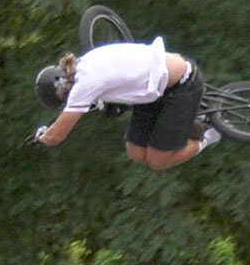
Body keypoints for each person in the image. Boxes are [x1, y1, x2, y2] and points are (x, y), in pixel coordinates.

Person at [33, 40, 221, 170]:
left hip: (182, 84)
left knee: (158, 160)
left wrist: (42, 137)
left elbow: (57, 136)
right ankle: (184, 126)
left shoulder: (84, 85)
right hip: (153, 90)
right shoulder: (84, 64)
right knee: (136, 153)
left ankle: (206, 138)